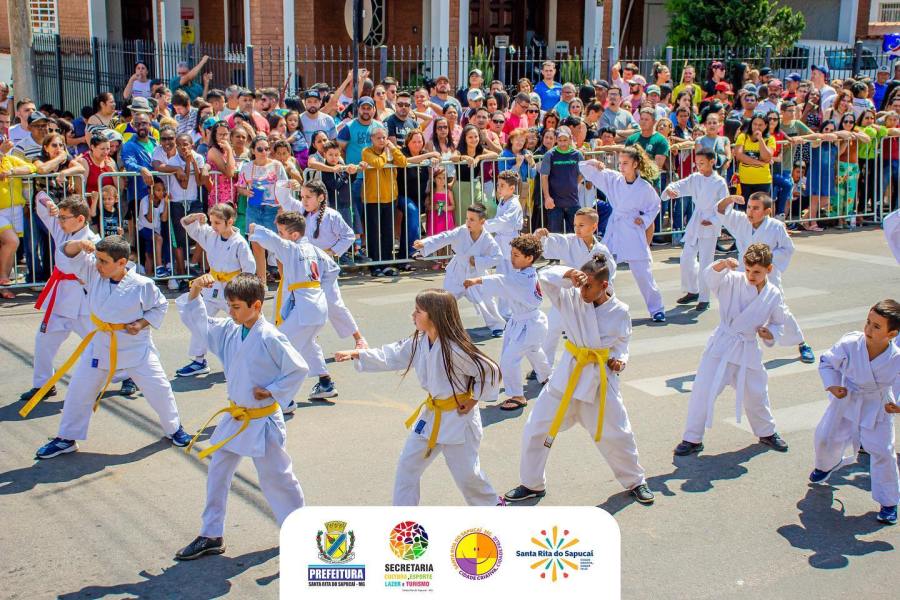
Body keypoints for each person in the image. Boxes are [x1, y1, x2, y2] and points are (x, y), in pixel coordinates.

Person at [174, 273, 307, 560]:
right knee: (218, 470)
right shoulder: (230, 330)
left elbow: (298, 368)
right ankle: (211, 533)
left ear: (256, 306)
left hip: (263, 420)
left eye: (236, 307)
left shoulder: (270, 336)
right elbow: (201, 325)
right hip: (236, 418)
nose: (231, 312)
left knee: (277, 478)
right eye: (229, 306)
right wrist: (195, 291)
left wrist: (272, 391)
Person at [23, 235, 192, 458]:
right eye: (97, 259)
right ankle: (66, 438)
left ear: (122, 262)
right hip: (100, 344)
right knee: (78, 390)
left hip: (135, 348)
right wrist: (78, 245)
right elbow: (66, 256)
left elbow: (159, 306)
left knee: (160, 389)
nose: (98, 264)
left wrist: (141, 324)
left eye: (103, 261)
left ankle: (174, 428)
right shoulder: (93, 274)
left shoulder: (143, 284)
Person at [504, 257, 654, 505]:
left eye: (588, 286)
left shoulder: (619, 311)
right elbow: (546, 276)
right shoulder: (570, 297)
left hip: (598, 380)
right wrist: (568, 274)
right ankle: (531, 484)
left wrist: (620, 360)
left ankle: (636, 481)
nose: (583, 291)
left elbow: (622, 342)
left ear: (604, 285)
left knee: (618, 433)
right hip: (567, 376)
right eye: (581, 285)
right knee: (536, 428)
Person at [334, 289, 503, 506]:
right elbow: (391, 354)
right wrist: (357, 353)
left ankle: (492, 507)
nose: (412, 315)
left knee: (468, 476)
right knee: (408, 466)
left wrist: (473, 399)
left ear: (434, 315)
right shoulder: (420, 341)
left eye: (418, 311)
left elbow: (490, 370)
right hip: (432, 415)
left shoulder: (455, 349)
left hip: (459, 421)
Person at [674, 245, 790, 457]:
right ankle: (692, 438)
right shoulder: (732, 280)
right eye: (748, 270)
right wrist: (723, 264)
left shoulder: (773, 294)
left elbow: (779, 322)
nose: (751, 276)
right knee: (703, 391)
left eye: (757, 272)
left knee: (757, 393)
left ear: (769, 269)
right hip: (723, 345)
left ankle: (766, 432)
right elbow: (710, 277)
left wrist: (770, 333)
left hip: (747, 348)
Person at [809, 300, 900, 525]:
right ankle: (825, 465)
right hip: (847, 399)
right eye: (868, 322)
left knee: (883, 451)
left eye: (876, 326)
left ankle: (889, 502)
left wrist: (897, 404)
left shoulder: (896, 358)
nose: (868, 329)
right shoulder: (850, 343)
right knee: (825, 437)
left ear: (892, 334)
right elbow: (827, 362)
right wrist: (832, 384)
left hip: (877, 405)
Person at [249, 212, 341, 403]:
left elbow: (271, 239)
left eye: (282, 232)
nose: (280, 235)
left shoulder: (291, 249)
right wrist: (319, 287)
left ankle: (285, 397)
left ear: (294, 235)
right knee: (308, 344)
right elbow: (333, 269)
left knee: (279, 347)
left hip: (304, 309)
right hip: (318, 305)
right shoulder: (315, 250)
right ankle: (325, 382)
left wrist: (254, 229)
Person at [717, 192, 816, 363]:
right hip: (744, 273)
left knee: (780, 311)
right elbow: (720, 210)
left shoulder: (776, 227)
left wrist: (765, 259)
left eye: (756, 208)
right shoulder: (741, 221)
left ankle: (801, 343)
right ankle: (729, 349)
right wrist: (730, 199)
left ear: (767, 211)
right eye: (749, 207)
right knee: (735, 310)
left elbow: (787, 249)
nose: (750, 211)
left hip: (768, 274)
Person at [18, 196, 100, 402]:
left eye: (64, 217)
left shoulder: (93, 240)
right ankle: (43, 384)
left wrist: (83, 246)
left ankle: (126, 375)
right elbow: (39, 198)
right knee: (44, 340)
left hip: (83, 301)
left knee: (100, 343)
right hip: (60, 297)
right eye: (60, 217)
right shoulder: (62, 229)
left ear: (80, 219)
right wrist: (48, 203)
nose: (60, 221)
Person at [275, 180, 368, 350]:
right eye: (302, 196)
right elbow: (284, 198)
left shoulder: (332, 215)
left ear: (321, 197)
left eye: (308, 197)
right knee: (294, 301)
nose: (304, 200)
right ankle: (303, 340)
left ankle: (359, 338)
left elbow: (348, 235)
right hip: (302, 266)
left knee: (334, 304)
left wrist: (332, 251)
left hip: (322, 267)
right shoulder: (300, 211)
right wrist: (287, 184)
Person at [464, 234, 551, 413]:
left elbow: (502, 281)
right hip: (526, 322)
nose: (512, 258)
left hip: (529, 324)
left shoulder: (523, 278)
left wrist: (477, 280)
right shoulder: (526, 274)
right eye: (511, 253)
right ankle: (547, 377)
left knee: (509, 360)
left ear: (529, 258)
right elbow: (505, 282)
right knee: (534, 351)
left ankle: (518, 396)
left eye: (516, 255)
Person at [579, 148, 666, 322]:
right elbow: (583, 168)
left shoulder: (644, 188)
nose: (621, 166)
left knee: (643, 273)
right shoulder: (613, 179)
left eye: (625, 163)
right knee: (601, 268)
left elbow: (655, 206)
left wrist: (644, 219)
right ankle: (601, 307)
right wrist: (594, 163)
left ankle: (657, 309)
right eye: (620, 163)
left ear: (635, 164)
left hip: (632, 229)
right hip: (615, 229)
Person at [175, 204, 256, 377]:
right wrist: (195, 217)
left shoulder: (239, 243)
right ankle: (199, 360)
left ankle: (247, 358)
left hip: (233, 289)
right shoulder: (210, 235)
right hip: (211, 287)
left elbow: (249, 268)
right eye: (211, 222)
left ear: (230, 222)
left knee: (242, 323)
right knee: (200, 319)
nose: (213, 226)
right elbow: (187, 224)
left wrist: (243, 291)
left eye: (217, 223)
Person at [534, 207, 616, 367]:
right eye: (575, 225)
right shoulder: (569, 242)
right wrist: (539, 236)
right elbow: (548, 243)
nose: (577, 229)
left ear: (594, 226)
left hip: (590, 298)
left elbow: (609, 274)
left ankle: (605, 361)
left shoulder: (602, 250)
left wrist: (605, 296)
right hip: (568, 294)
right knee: (552, 329)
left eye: (582, 225)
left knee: (594, 332)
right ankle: (543, 366)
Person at [412, 203, 506, 336]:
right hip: (456, 273)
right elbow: (445, 237)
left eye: (472, 219)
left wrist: (478, 261)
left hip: (475, 275)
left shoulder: (487, 239)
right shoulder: (461, 231)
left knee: (487, 299)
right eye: (467, 218)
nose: (468, 222)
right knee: (445, 300)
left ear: (482, 222)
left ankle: (497, 325)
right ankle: (439, 326)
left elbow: (498, 257)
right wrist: (425, 243)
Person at [663, 148, 728, 312]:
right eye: (697, 163)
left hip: (710, 223)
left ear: (712, 162)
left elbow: (726, 205)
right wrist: (670, 189)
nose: (699, 166)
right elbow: (680, 185)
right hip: (696, 221)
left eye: (702, 163)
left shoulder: (719, 182)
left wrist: (714, 220)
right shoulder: (695, 178)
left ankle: (704, 298)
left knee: (706, 260)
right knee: (686, 258)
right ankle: (693, 289)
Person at [236, 135, 288, 282]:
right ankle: (262, 282)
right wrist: (246, 192)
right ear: (253, 150)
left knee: (278, 246)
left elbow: (285, 187)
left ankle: (286, 282)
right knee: (257, 246)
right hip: (254, 208)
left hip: (273, 209)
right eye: (260, 149)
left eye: (267, 148)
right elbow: (240, 187)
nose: (264, 152)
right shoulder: (246, 167)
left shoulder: (277, 165)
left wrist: (282, 208)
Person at [361, 126, 407, 276]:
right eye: (378, 138)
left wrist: (393, 149)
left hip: (390, 197)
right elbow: (378, 163)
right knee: (374, 233)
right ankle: (374, 265)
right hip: (373, 198)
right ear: (372, 139)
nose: (382, 140)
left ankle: (386, 264)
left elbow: (403, 162)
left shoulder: (391, 150)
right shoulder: (366, 151)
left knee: (388, 232)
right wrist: (387, 154)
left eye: (384, 137)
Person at [484, 170, 524, 318]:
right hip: (502, 242)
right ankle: (504, 311)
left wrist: (484, 225)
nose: (498, 188)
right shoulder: (503, 201)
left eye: (502, 185)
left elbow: (503, 222)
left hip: (510, 242)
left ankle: (513, 311)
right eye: (498, 185)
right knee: (502, 276)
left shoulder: (514, 204)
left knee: (510, 277)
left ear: (512, 188)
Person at [539, 126, 584, 234]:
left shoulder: (577, 154)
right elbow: (544, 177)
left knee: (575, 234)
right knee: (555, 235)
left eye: (565, 140)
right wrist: (547, 197)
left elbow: (582, 173)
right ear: (556, 139)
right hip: (554, 203)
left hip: (572, 201)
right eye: (560, 140)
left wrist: (573, 184)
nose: (563, 143)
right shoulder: (550, 155)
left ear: (570, 138)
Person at [137, 178, 169, 277]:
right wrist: (151, 203)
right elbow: (149, 219)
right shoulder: (144, 201)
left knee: (149, 255)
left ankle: (150, 277)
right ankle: (159, 267)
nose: (161, 193)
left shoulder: (162, 200)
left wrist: (166, 203)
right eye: (158, 190)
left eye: (163, 190)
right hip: (144, 229)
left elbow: (164, 219)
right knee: (159, 239)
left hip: (155, 230)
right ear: (150, 191)